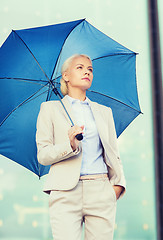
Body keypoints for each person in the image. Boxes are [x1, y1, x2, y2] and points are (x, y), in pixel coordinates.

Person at [36, 54, 126, 240]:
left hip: (101, 190)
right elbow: (43, 155)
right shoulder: (50, 109)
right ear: (66, 76)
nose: (87, 71)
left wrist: (117, 186)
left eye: (90, 69)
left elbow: (113, 153)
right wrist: (69, 144)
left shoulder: (104, 112)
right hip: (65, 192)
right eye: (80, 67)